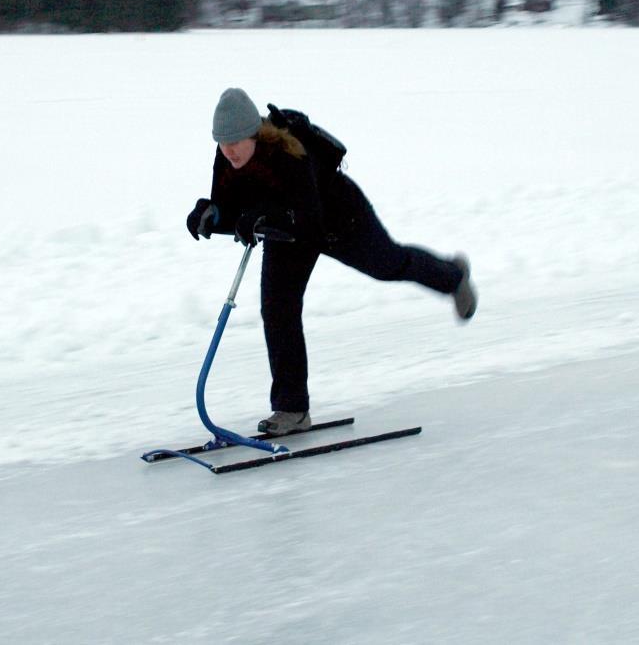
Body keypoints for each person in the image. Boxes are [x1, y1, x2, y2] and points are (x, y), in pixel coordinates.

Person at [186, 88, 477, 437]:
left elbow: (307, 216)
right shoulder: (227, 158)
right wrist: (211, 213)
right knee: (278, 309)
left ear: (255, 134)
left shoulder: (288, 152)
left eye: (235, 141)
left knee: (389, 264)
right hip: (284, 234)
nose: (228, 149)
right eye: (221, 142)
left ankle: (453, 276)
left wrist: (259, 214)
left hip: (338, 220)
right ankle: (292, 408)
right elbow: (230, 207)